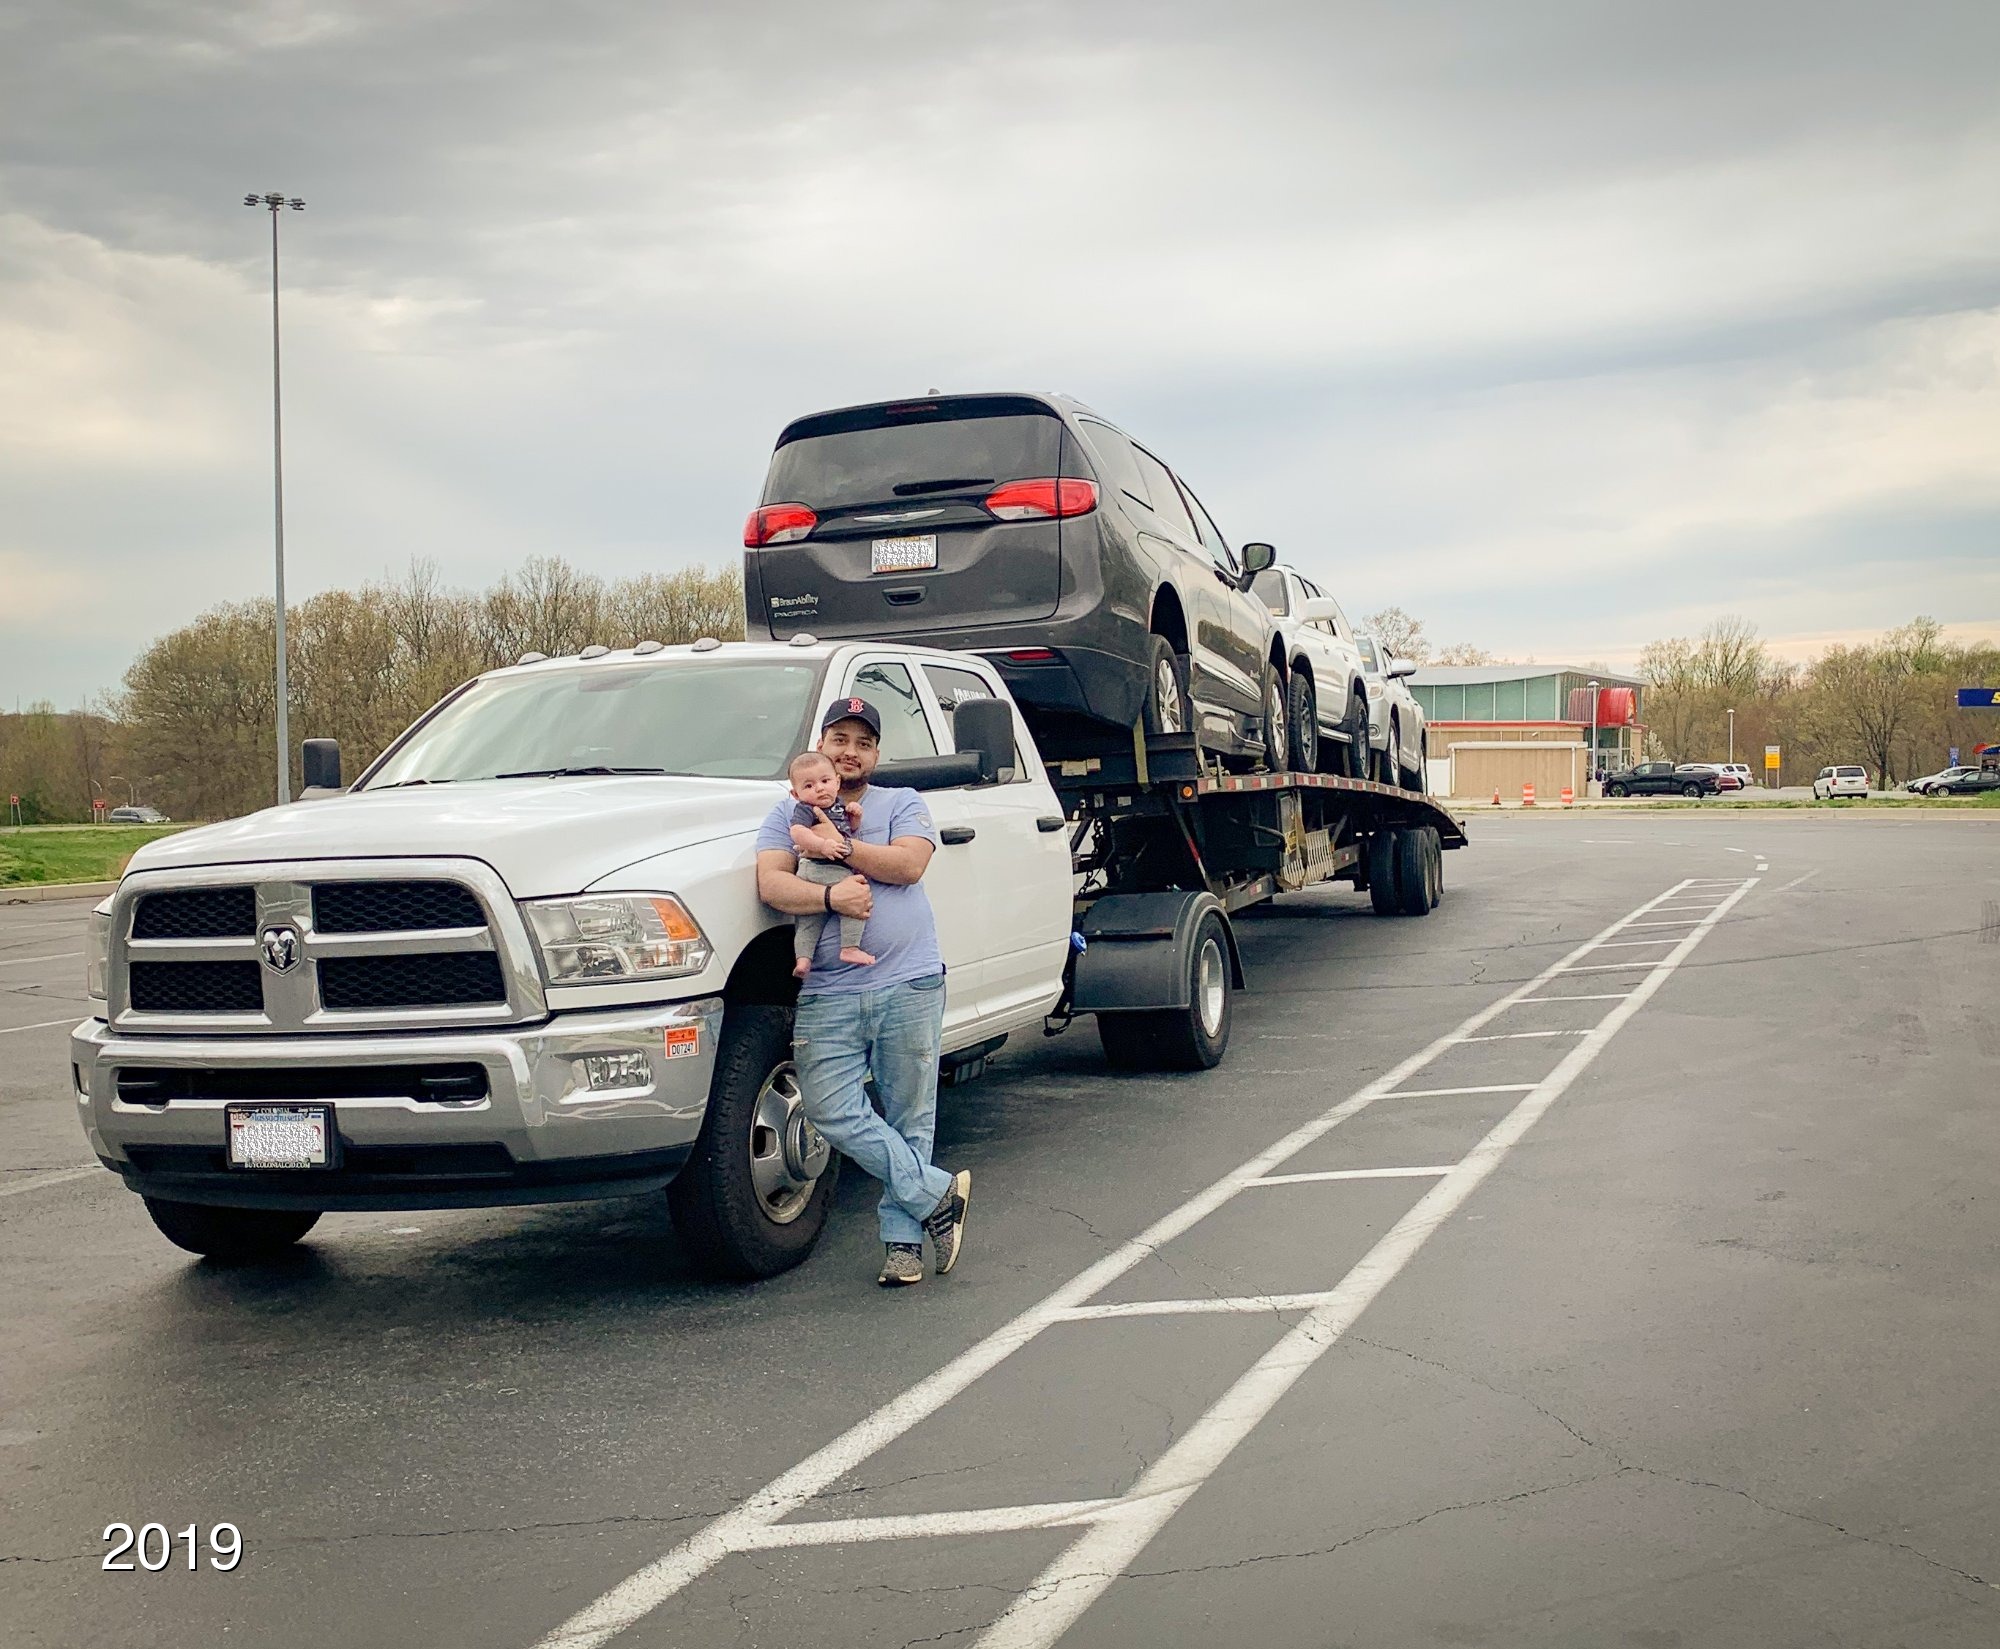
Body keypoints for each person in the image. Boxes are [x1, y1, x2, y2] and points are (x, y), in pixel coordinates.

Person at [754, 697, 971, 1287]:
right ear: (820, 744)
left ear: (875, 754)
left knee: (908, 1116)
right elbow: (772, 884)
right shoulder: (785, 814)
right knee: (828, 1109)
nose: (849, 751)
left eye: (863, 742)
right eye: (839, 739)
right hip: (827, 989)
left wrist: (842, 850)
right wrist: (831, 898)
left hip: (910, 980)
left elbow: (908, 867)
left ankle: (901, 1245)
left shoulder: (902, 804)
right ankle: (937, 1194)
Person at [783, 751, 876, 977]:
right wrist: (822, 845)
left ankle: (803, 961)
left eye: (825, 781)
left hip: (817, 870)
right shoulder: (806, 809)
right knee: (856, 896)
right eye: (809, 786)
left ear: (837, 781)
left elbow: (847, 831)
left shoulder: (838, 805)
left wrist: (855, 818)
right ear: (796, 794)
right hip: (821, 866)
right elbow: (797, 832)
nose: (819, 789)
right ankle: (850, 947)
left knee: (809, 921)